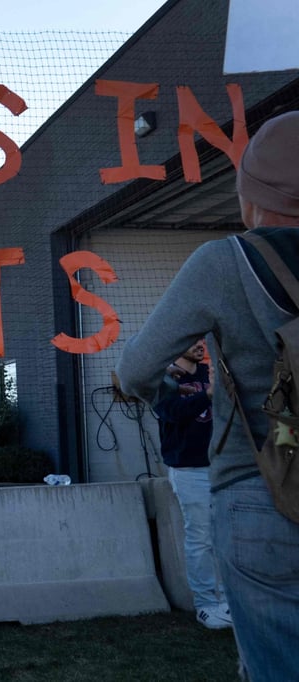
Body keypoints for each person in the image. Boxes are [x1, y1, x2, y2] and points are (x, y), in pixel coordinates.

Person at [116, 110, 299, 681]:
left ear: (251, 196)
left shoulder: (225, 261)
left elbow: (134, 369)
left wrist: (170, 395)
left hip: (259, 489)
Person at [153, 340, 232, 629]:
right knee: (200, 537)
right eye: (193, 340)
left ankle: (228, 601)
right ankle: (206, 604)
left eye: (202, 340)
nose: (200, 345)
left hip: (221, 466)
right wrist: (207, 395)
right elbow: (170, 412)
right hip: (188, 469)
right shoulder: (165, 379)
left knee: (225, 536)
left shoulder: (210, 374)